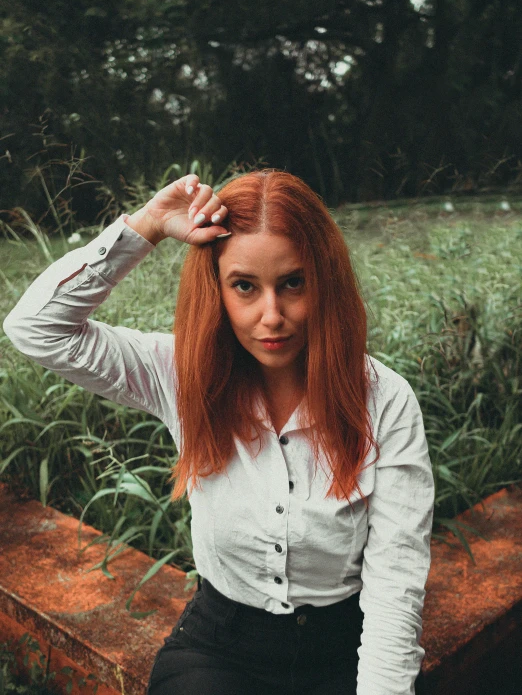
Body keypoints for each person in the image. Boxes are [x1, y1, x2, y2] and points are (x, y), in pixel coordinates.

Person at [3, 169, 434, 695]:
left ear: (325, 280)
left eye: (293, 283)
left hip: (346, 648)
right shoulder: (182, 375)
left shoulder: (385, 401)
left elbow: (395, 586)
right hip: (221, 649)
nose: (270, 316)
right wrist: (148, 226)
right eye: (245, 286)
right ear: (217, 288)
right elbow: (36, 329)